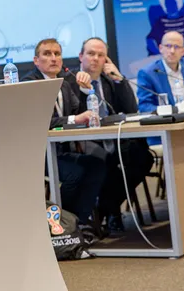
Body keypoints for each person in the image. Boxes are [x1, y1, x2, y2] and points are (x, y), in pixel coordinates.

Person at [65, 37, 153, 233]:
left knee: (143, 157)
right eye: (91, 54)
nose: (95, 59)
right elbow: (71, 115)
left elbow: (131, 109)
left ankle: (105, 208)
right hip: (85, 141)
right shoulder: (69, 82)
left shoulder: (109, 81)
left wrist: (119, 80)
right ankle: (111, 212)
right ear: (80, 56)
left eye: (101, 55)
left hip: (114, 138)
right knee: (105, 160)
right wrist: (83, 90)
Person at [22, 39, 105, 234]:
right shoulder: (29, 84)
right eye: (47, 54)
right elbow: (42, 121)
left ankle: (78, 223)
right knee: (74, 174)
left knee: (97, 165)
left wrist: (85, 92)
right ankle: (62, 224)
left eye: (57, 54)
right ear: (36, 60)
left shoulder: (64, 84)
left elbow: (79, 113)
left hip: (61, 150)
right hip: (39, 155)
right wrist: (76, 118)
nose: (53, 58)